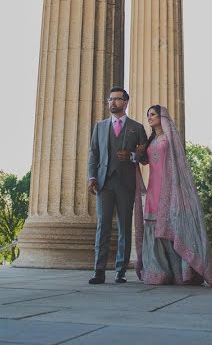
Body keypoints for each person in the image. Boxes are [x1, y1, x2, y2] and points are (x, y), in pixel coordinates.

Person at [132, 105, 212, 286]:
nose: (149, 117)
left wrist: (177, 187)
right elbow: (144, 161)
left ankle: (180, 272)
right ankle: (158, 271)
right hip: (153, 188)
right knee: (153, 227)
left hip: (169, 185)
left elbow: (179, 163)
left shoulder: (170, 137)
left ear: (162, 116)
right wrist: (135, 155)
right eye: (147, 115)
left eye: (153, 114)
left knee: (171, 225)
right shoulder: (151, 140)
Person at [87, 87, 147, 284]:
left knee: (124, 228)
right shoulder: (100, 126)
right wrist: (91, 177)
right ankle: (99, 271)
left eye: (117, 99)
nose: (112, 102)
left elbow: (145, 157)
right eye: (110, 99)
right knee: (102, 227)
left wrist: (131, 156)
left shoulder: (137, 128)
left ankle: (120, 271)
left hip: (126, 183)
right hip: (104, 182)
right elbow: (93, 153)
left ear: (126, 102)